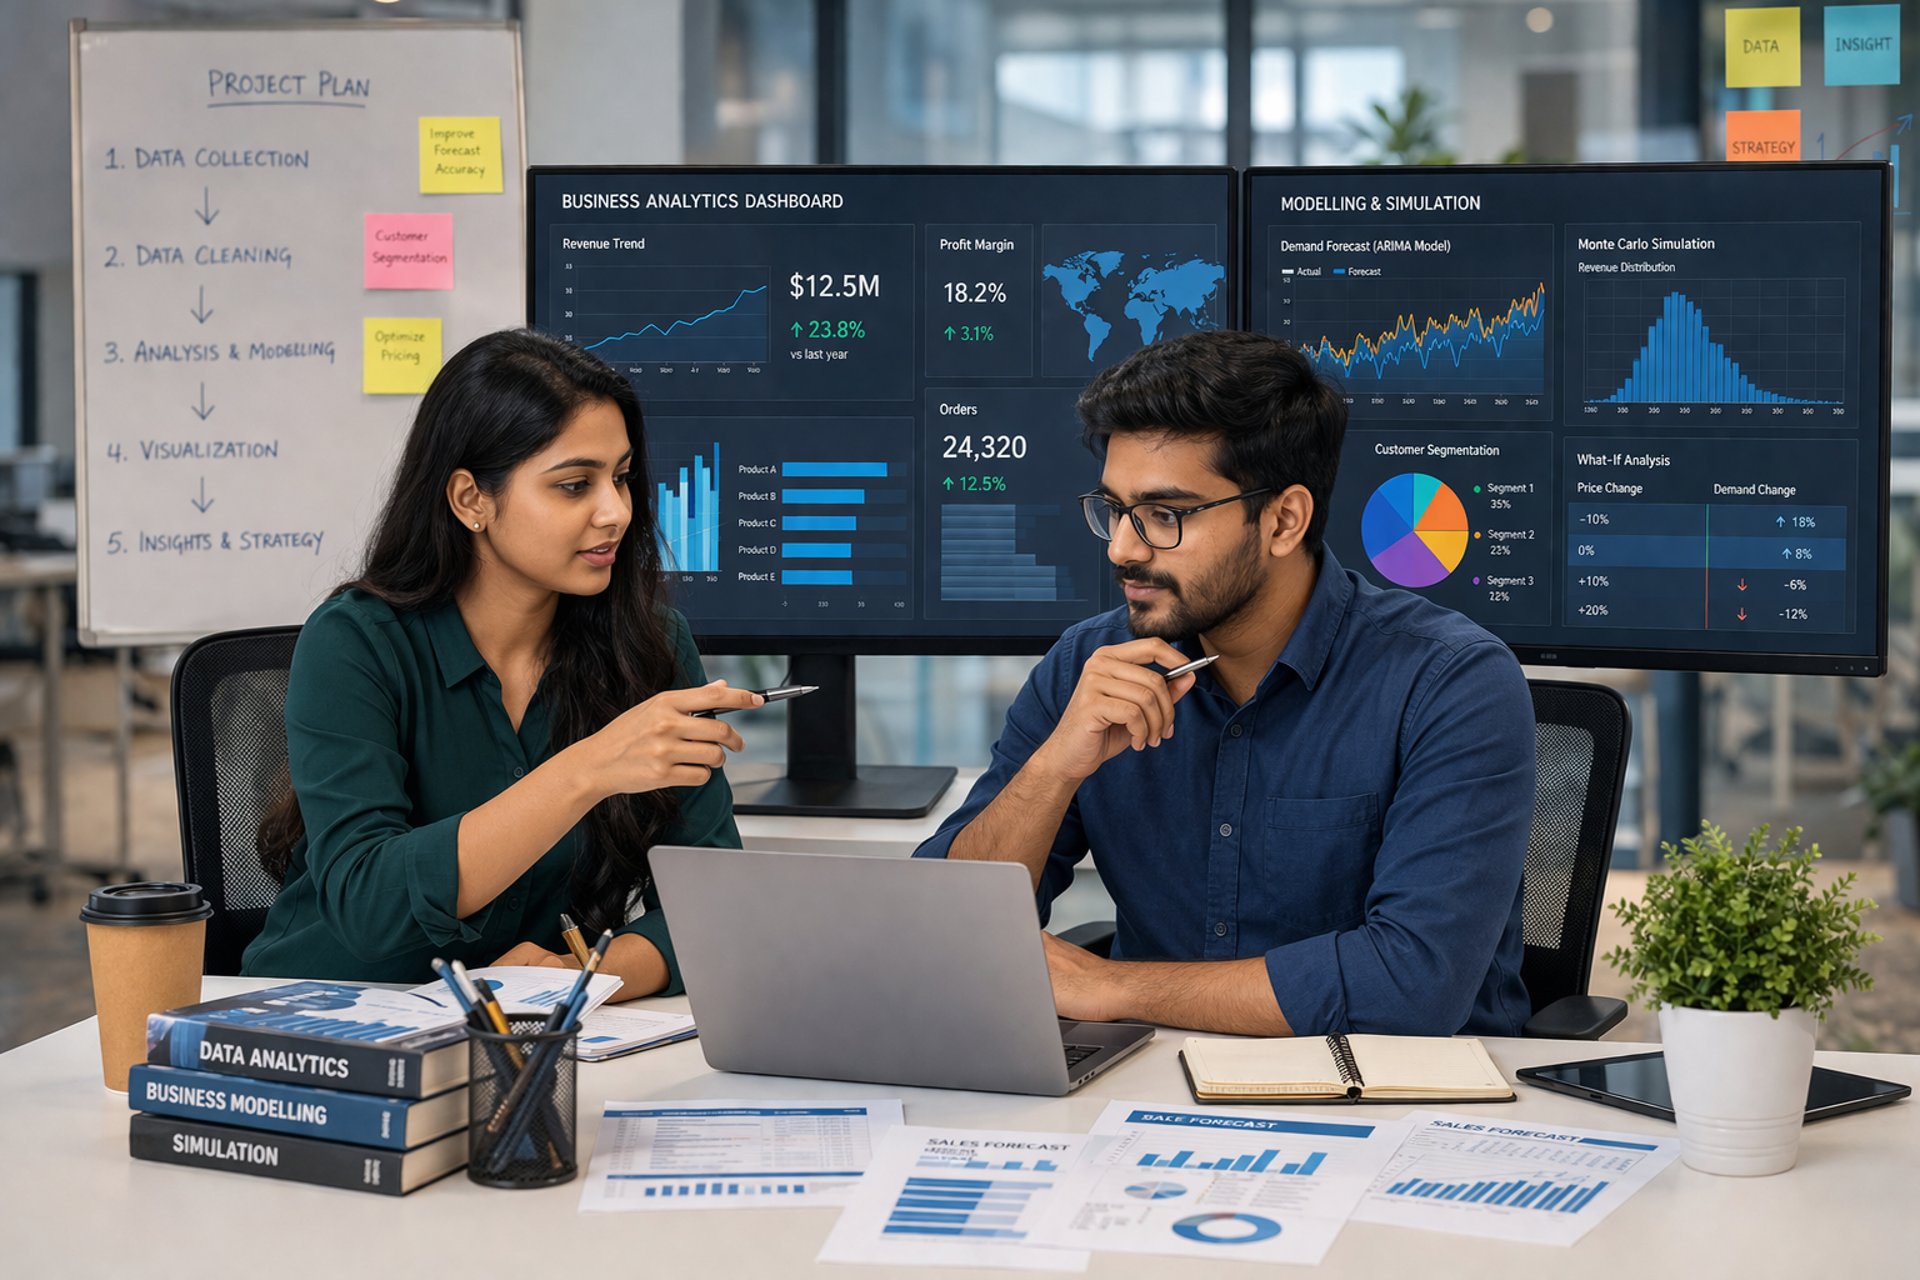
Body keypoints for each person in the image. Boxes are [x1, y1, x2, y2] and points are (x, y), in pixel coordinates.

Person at [914, 330, 1536, 1037]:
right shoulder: (1088, 666)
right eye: (1115, 509)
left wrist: (1110, 984)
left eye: (1165, 516)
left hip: (1401, 1105)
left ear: (1282, 520)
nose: (1122, 548)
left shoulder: (1451, 683)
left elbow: (1410, 987)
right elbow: (943, 932)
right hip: (1149, 1094)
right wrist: (1056, 767)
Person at [244, 329, 761, 996]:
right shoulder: (353, 642)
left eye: (623, 477)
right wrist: (588, 769)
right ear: (471, 501)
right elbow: (371, 907)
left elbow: (716, 905)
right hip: (325, 1027)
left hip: (522, 1040)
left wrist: (584, 975)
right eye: (575, 485)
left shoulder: (650, 643)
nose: (617, 512)